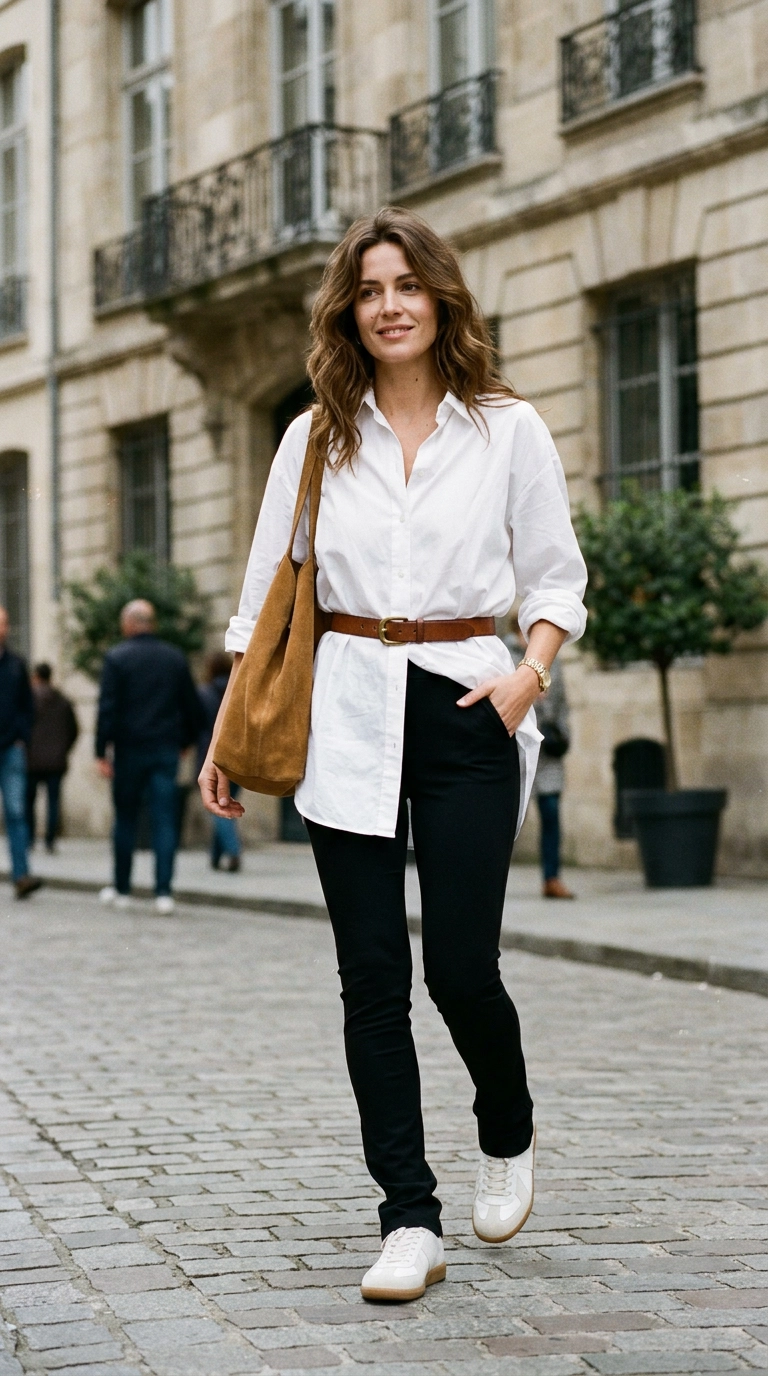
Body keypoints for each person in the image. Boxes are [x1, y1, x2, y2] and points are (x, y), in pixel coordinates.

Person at [199, 208, 587, 1302]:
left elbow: (555, 576)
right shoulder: (313, 435)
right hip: (343, 712)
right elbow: (267, 590)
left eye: (407, 284)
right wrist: (228, 731)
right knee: (371, 976)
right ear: (349, 312)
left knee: (461, 964)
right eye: (369, 289)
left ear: (442, 298)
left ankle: (505, 1127)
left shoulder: (507, 428)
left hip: (469, 706)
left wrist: (527, 674)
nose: (390, 303)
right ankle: (407, 1213)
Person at [96, 599, 205, 915]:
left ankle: (122, 888)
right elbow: (192, 708)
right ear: (152, 623)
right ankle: (163, 892)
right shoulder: (173, 658)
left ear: (128, 624)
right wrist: (183, 741)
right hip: (164, 749)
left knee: (126, 818)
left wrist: (101, 751)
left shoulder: (117, 658)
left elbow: (107, 709)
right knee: (164, 820)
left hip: (129, 750)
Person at [0, 606, 42, 898]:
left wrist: (21, 737)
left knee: (16, 811)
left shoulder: (16, 664)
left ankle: (21, 875)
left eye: (4, 623)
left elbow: (28, 707)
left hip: (10, 749)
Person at [533, 656, 575, 899]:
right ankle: (490, 877)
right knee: (504, 819)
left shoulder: (553, 658)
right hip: (516, 750)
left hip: (548, 752)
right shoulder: (506, 653)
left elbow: (562, 702)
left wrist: (563, 735)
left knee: (551, 812)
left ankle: (552, 878)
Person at [26, 663, 79, 853]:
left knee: (28, 801)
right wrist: (63, 749)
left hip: (30, 759)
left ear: (36, 676)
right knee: (53, 801)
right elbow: (74, 730)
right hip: (56, 760)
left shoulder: (28, 700)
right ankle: (50, 840)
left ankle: (29, 838)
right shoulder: (63, 700)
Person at [197, 652, 241, 872]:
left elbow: (195, 723)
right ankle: (216, 857)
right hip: (238, 756)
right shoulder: (241, 689)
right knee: (224, 804)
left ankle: (233, 851)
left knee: (221, 805)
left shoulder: (203, 693)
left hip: (211, 756)